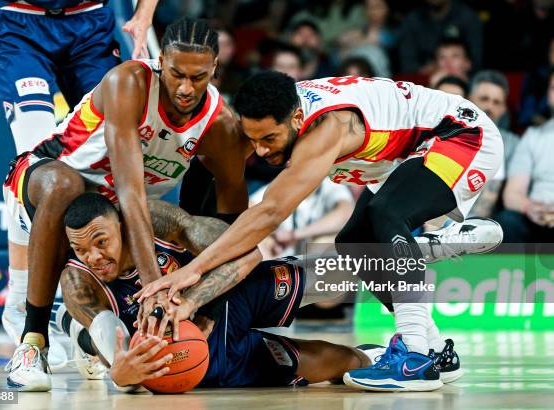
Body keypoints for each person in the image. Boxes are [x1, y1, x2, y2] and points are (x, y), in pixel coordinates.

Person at [142, 71, 504, 392]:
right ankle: (436, 349)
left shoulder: (327, 128)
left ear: (297, 118)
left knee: (386, 214)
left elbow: (270, 212)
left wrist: (195, 268)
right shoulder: (277, 112)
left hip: (460, 135)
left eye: (269, 138)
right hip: (401, 152)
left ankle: (414, 360)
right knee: (355, 244)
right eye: (253, 139)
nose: (261, 149)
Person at [2, 17, 250, 391]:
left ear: (215, 68)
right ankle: (33, 341)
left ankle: (81, 333)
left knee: (184, 232)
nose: (186, 88)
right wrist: (156, 289)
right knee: (66, 185)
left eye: (198, 77)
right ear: (161, 60)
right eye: (177, 73)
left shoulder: (222, 125)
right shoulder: (128, 82)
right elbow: (130, 190)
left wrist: (207, 301)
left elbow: (232, 217)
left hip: (114, 212)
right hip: (48, 182)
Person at [0, 0, 160, 367]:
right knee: (40, 166)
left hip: (90, 22)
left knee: (101, 163)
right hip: (20, 21)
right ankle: (20, 300)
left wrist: (144, 15)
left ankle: (81, 305)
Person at [52, 192, 371, 391]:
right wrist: (121, 371)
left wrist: (193, 302)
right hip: (203, 355)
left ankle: (418, 254)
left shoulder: (152, 220)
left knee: (345, 269)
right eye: (81, 250)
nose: (93, 257)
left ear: (122, 226)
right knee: (348, 363)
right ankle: (376, 356)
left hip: (232, 294)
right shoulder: (78, 280)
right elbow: (118, 352)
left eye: (101, 242)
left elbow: (249, 252)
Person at [497, 69, 554, 242]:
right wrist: (529, 207)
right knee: (507, 222)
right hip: (538, 217)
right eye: (553, 88)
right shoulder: (533, 136)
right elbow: (512, 194)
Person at [468, 70, 520, 218]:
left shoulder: (512, 144)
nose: (489, 107)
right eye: (484, 99)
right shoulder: (449, 134)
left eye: (497, 102)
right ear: (470, 99)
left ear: (503, 109)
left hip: (484, 225)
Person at [398, 0, 482, 75]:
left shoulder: (467, 17)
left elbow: (476, 62)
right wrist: (431, 69)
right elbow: (408, 66)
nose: (448, 62)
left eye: (454, 56)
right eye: (443, 58)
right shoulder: (412, 20)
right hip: (424, 82)